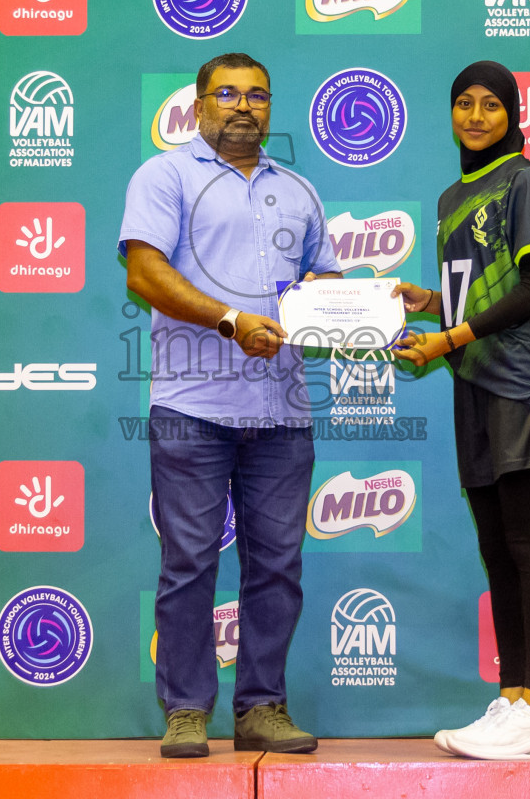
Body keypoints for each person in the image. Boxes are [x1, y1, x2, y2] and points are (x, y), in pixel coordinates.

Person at [119, 52, 342, 758]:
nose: (244, 107)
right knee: (189, 561)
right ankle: (186, 709)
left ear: (271, 108)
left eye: (258, 96)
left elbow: (324, 290)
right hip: (192, 408)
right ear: (198, 104)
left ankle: (262, 708)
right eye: (228, 94)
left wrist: (383, 309)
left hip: (282, 413)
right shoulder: (164, 176)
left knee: (277, 565)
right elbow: (145, 271)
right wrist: (229, 321)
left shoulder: (300, 189)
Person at [391, 60, 530, 761]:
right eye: (462, 102)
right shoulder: (449, 197)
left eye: (490, 104)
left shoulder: (527, 180)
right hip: (473, 381)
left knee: (529, 542)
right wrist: (431, 302)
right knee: (496, 548)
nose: (474, 115)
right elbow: (477, 292)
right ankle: (513, 699)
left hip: (524, 382)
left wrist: (451, 337)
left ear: (512, 114)